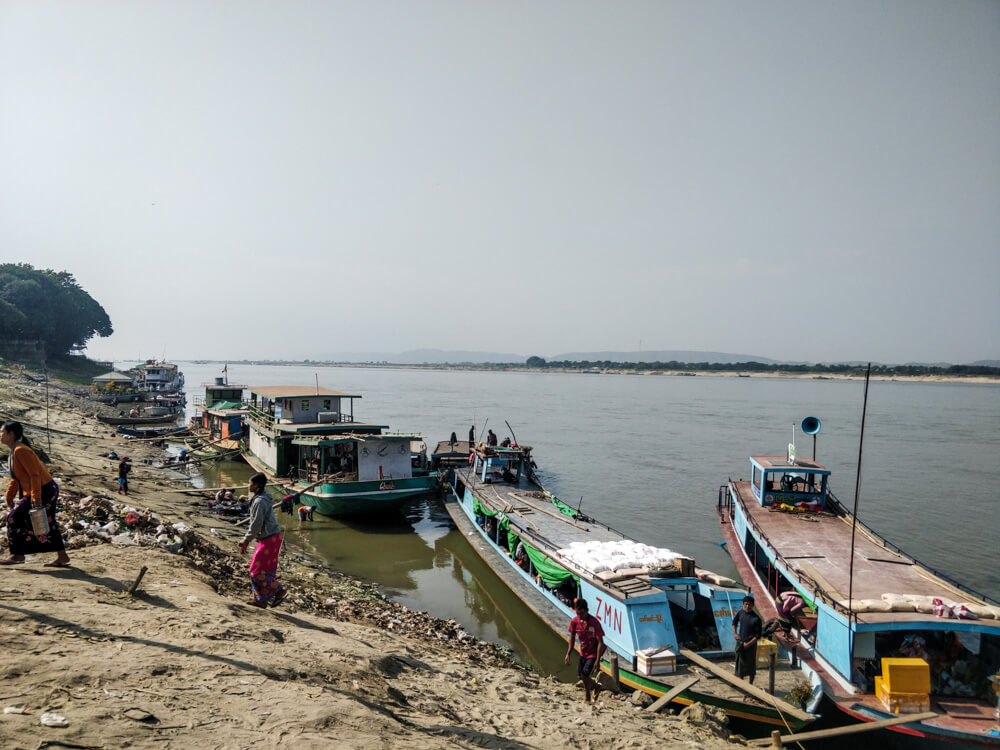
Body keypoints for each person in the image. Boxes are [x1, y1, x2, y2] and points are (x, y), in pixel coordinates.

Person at [1, 421, 71, 567]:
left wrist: (36, 496)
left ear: (11, 434)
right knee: (48, 522)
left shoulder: (20, 450)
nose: (0, 435)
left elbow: (34, 475)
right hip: (41, 489)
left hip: (43, 489)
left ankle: (17, 555)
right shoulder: (14, 451)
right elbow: (17, 478)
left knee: (13, 518)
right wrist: (9, 496)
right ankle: (62, 556)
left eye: (2, 432)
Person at [238, 473, 287, 608]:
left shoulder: (259, 502)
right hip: (272, 538)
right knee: (265, 569)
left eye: (250, 484)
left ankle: (279, 589)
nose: (248, 486)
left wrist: (246, 540)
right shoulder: (259, 498)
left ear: (257, 485)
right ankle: (260, 600)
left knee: (256, 571)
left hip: (270, 539)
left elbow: (256, 525)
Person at [565, 599, 605, 703]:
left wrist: (597, 660)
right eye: (578, 614)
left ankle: (587, 695)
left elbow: (601, 642)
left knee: (585, 675)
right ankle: (596, 686)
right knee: (580, 676)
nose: (580, 616)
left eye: (582, 613)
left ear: (587, 610)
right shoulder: (574, 622)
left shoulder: (594, 623)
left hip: (593, 653)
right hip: (583, 652)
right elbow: (572, 638)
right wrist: (568, 653)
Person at [733, 595, 762, 683]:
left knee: (751, 665)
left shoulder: (756, 619)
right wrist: (735, 633)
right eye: (745, 604)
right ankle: (742, 684)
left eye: (749, 605)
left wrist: (748, 644)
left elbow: (758, 636)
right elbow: (734, 622)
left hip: (751, 645)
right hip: (741, 642)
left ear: (753, 605)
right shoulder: (741, 613)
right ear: (743, 604)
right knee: (740, 665)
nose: (747, 606)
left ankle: (750, 684)